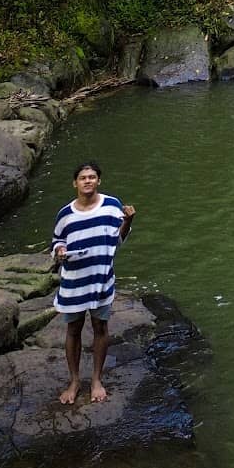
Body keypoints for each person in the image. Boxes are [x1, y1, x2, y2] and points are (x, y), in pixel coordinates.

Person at [51, 161, 136, 405]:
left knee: (100, 328)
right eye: (83, 177)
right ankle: (75, 380)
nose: (87, 181)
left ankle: (97, 379)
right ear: (75, 183)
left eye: (92, 177)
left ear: (98, 180)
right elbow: (56, 240)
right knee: (73, 330)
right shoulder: (65, 214)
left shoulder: (111, 206)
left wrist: (128, 221)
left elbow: (117, 239)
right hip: (74, 281)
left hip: (100, 278)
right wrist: (60, 251)